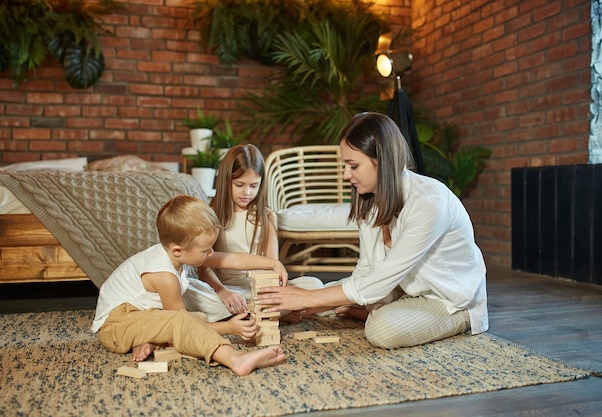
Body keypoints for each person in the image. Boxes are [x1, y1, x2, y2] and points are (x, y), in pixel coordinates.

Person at [257, 112, 488, 349]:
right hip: (401, 289)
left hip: (449, 300)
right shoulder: (370, 199)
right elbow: (367, 269)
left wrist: (310, 301)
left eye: (353, 166)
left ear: (382, 161)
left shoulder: (429, 204)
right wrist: (309, 300)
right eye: (345, 165)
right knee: (309, 287)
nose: (346, 175)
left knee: (380, 329)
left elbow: (379, 280)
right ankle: (373, 308)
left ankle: (384, 313)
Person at [91, 195, 286, 376]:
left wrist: (272, 263)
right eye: (205, 250)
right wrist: (228, 327)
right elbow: (182, 323)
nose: (211, 253)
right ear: (178, 250)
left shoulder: (178, 252)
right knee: (181, 321)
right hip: (116, 325)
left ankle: (147, 339)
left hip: (140, 314)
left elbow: (231, 259)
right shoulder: (164, 276)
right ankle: (235, 358)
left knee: (191, 308)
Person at [183, 144, 324, 323]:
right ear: (226, 181)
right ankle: (264, 313)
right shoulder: (212, 215)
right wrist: (223, 292)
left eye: (254, 185)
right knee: (188, 289)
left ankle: (252, 312)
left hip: (261, 291)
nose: (247, 192)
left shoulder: (266, 216)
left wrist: (278, 291)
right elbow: (204, 268)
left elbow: (273, 265)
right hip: (227, 291)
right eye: (239, 185)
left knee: (314, 285)